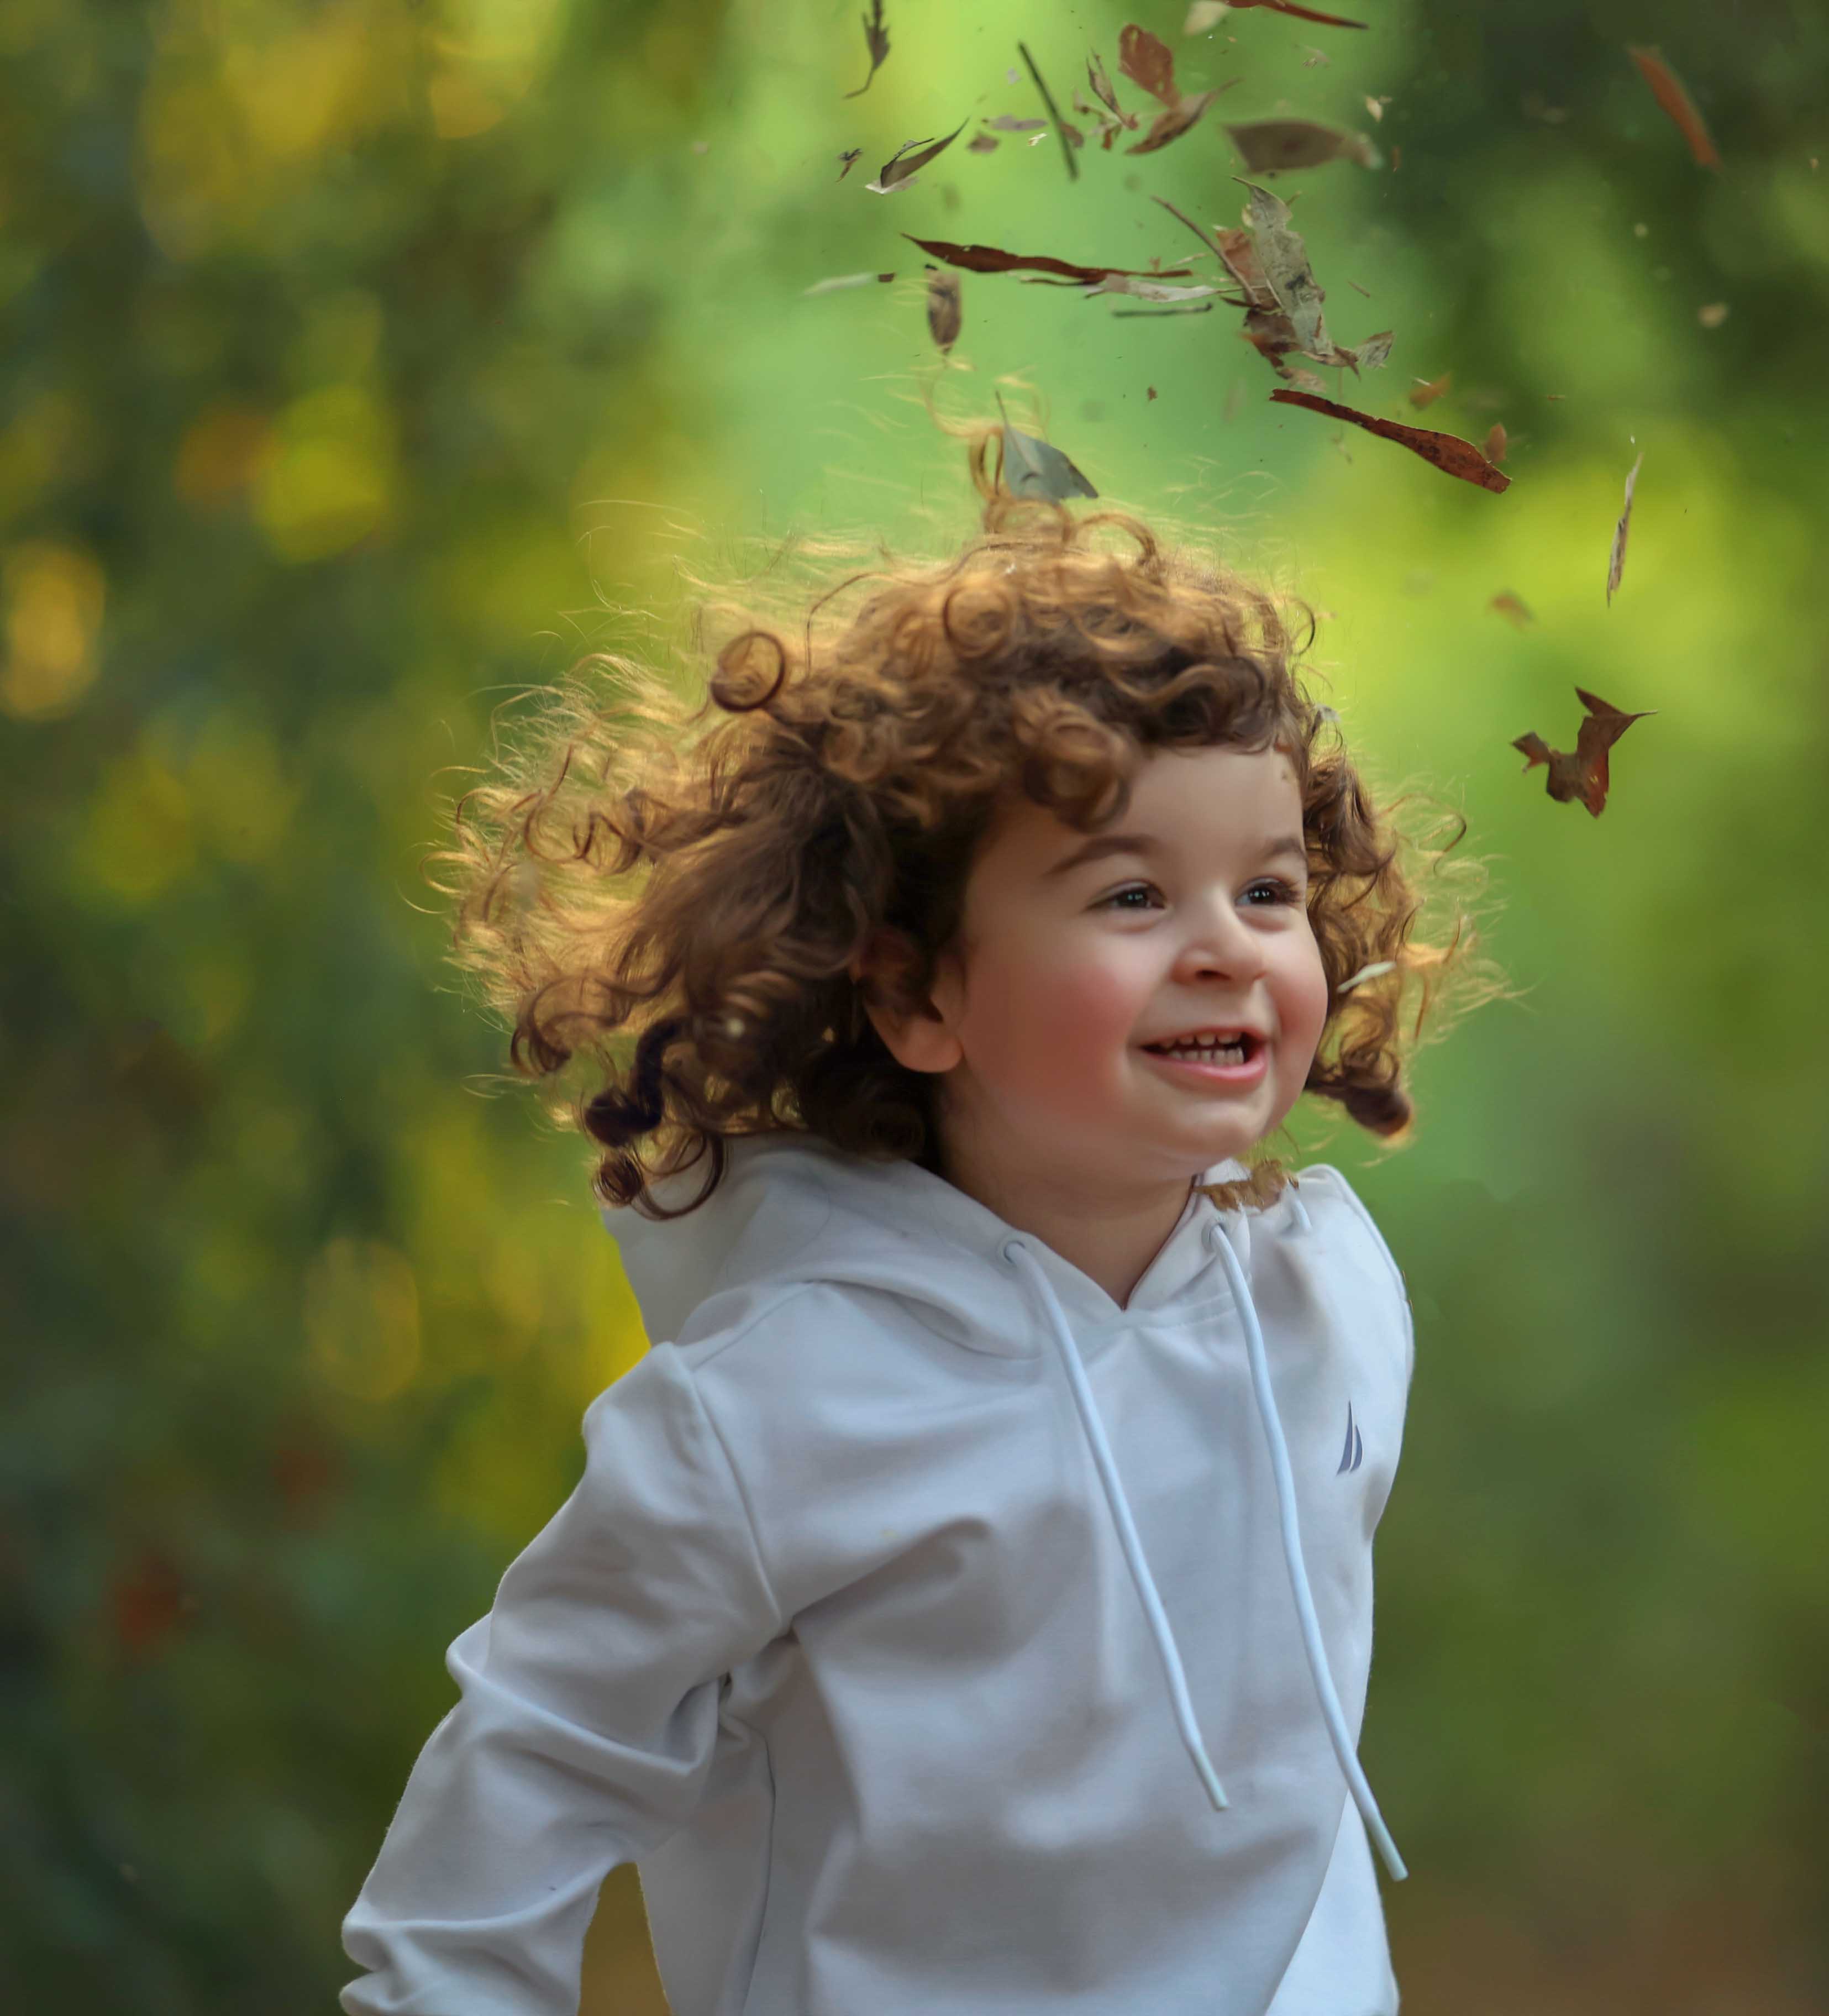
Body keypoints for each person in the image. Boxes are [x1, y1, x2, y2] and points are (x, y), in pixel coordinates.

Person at [335, 427, 1497, 2016]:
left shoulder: (1333, 1304)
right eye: (1131, 896)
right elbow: (523, 1780)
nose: (1226, 947)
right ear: (916, 990)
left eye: (1271, 892)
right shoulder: (772, 1410)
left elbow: (1270, 1778)